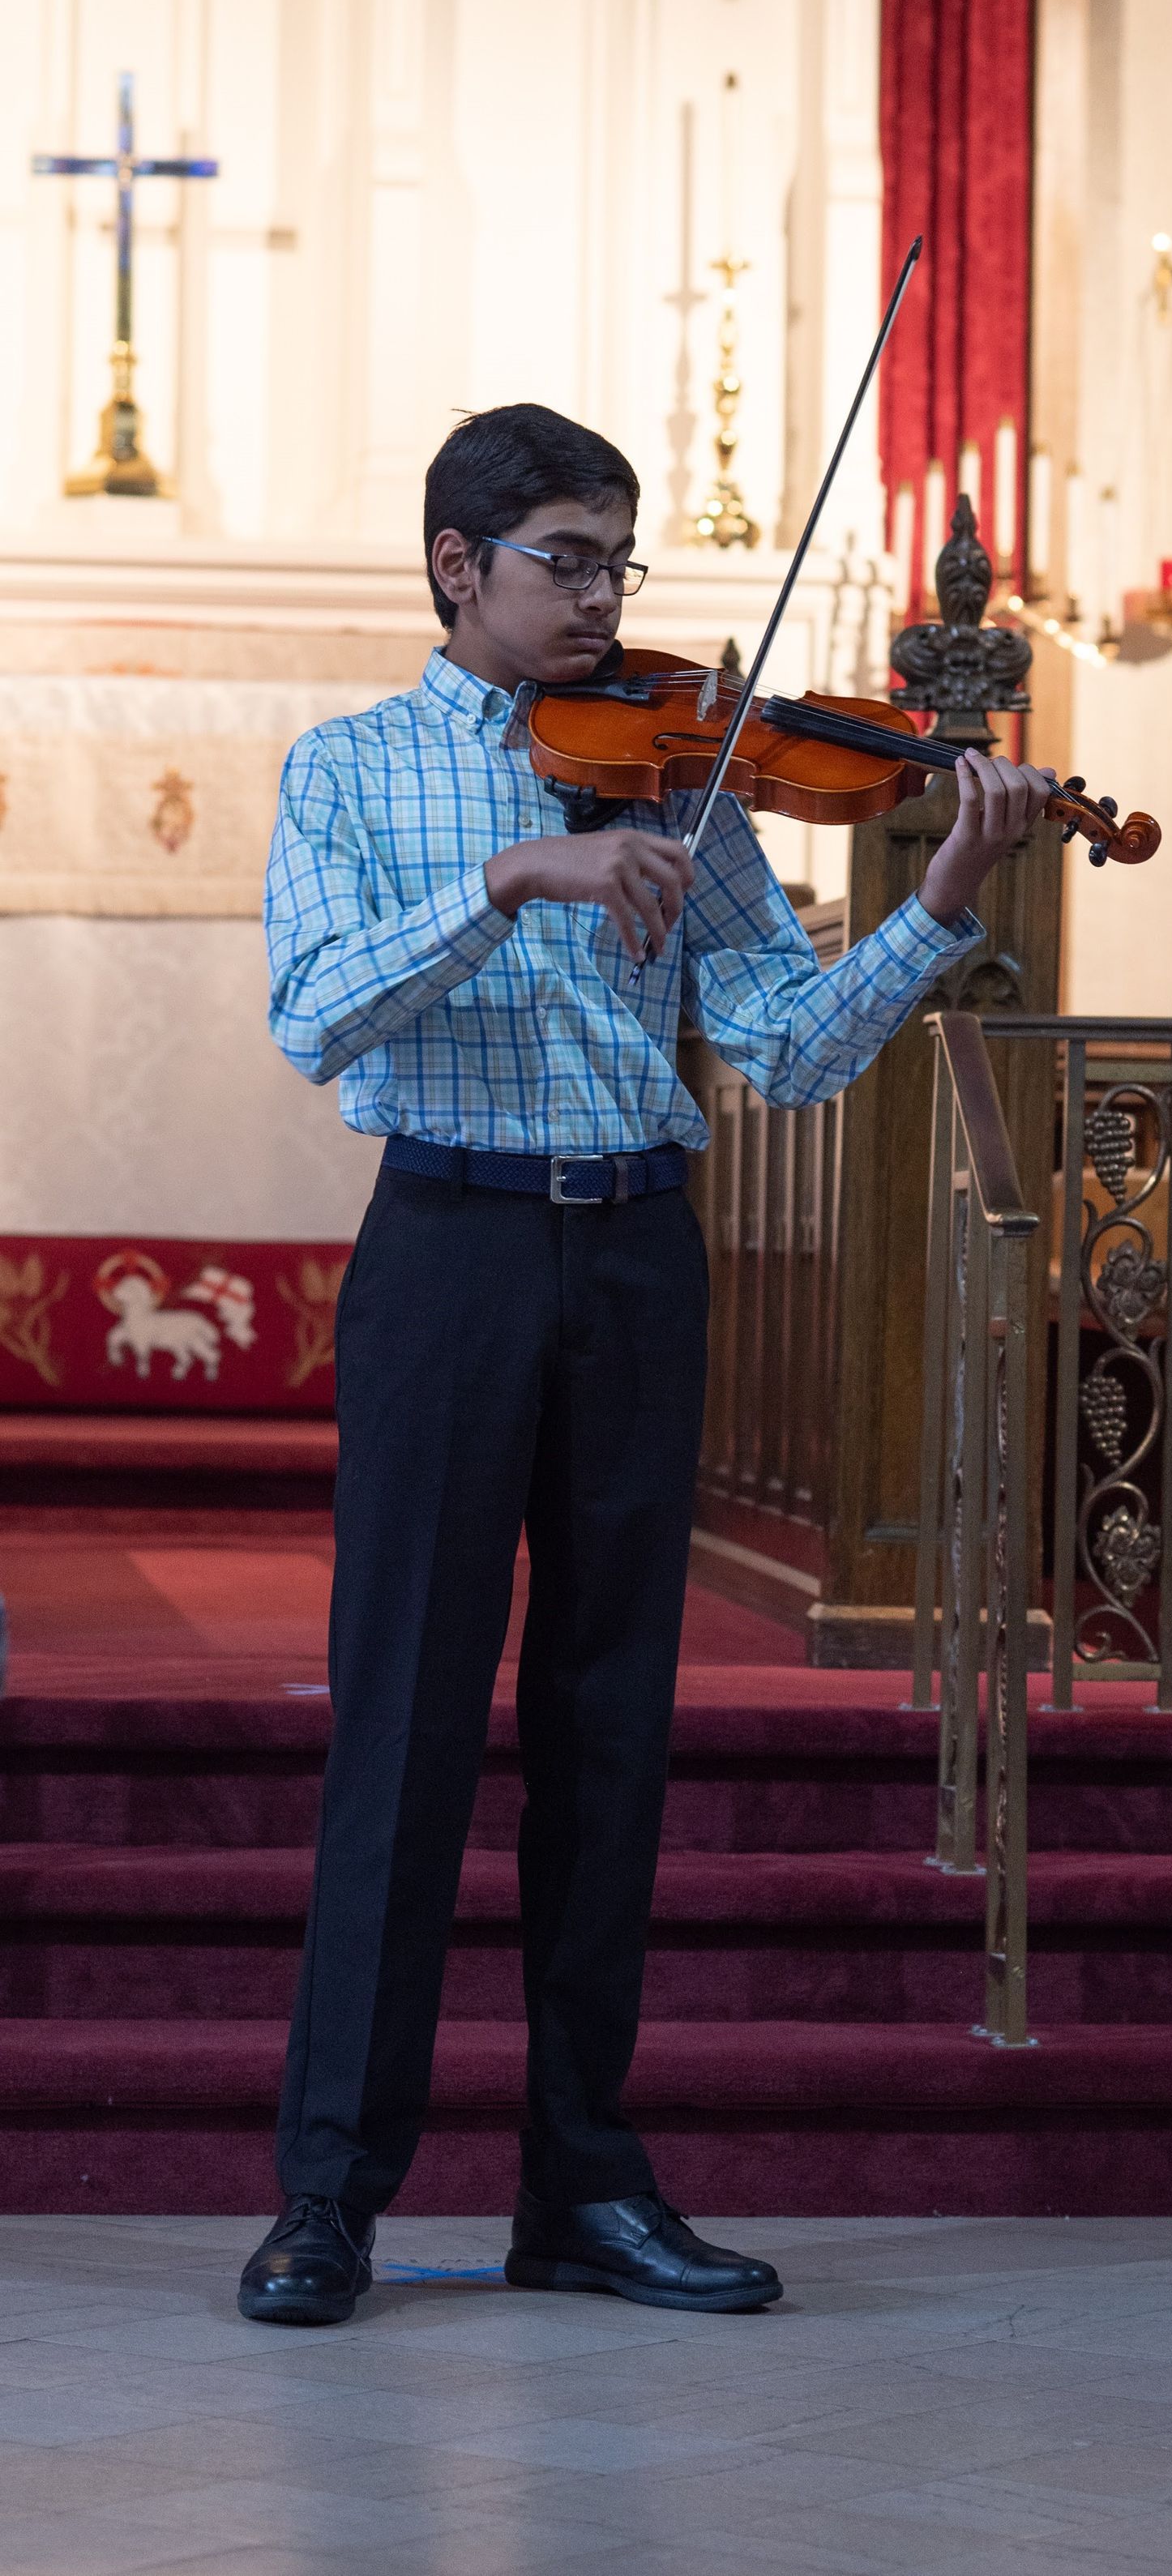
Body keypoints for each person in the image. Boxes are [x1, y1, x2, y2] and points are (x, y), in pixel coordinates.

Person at [240, 401, 1054, 2326]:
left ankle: (584, 2184)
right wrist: (518, 874)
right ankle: (329, 2192)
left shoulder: (691, 783)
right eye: (570, 559)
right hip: (445, 1246)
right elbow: (310, 1014)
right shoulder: (348, 770)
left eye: (623, 562)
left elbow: (787, 1046)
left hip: (634, 1257)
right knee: (410, 1722)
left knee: (609, 1728)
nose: (608, 596)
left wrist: (934, 907)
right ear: (460, 564)